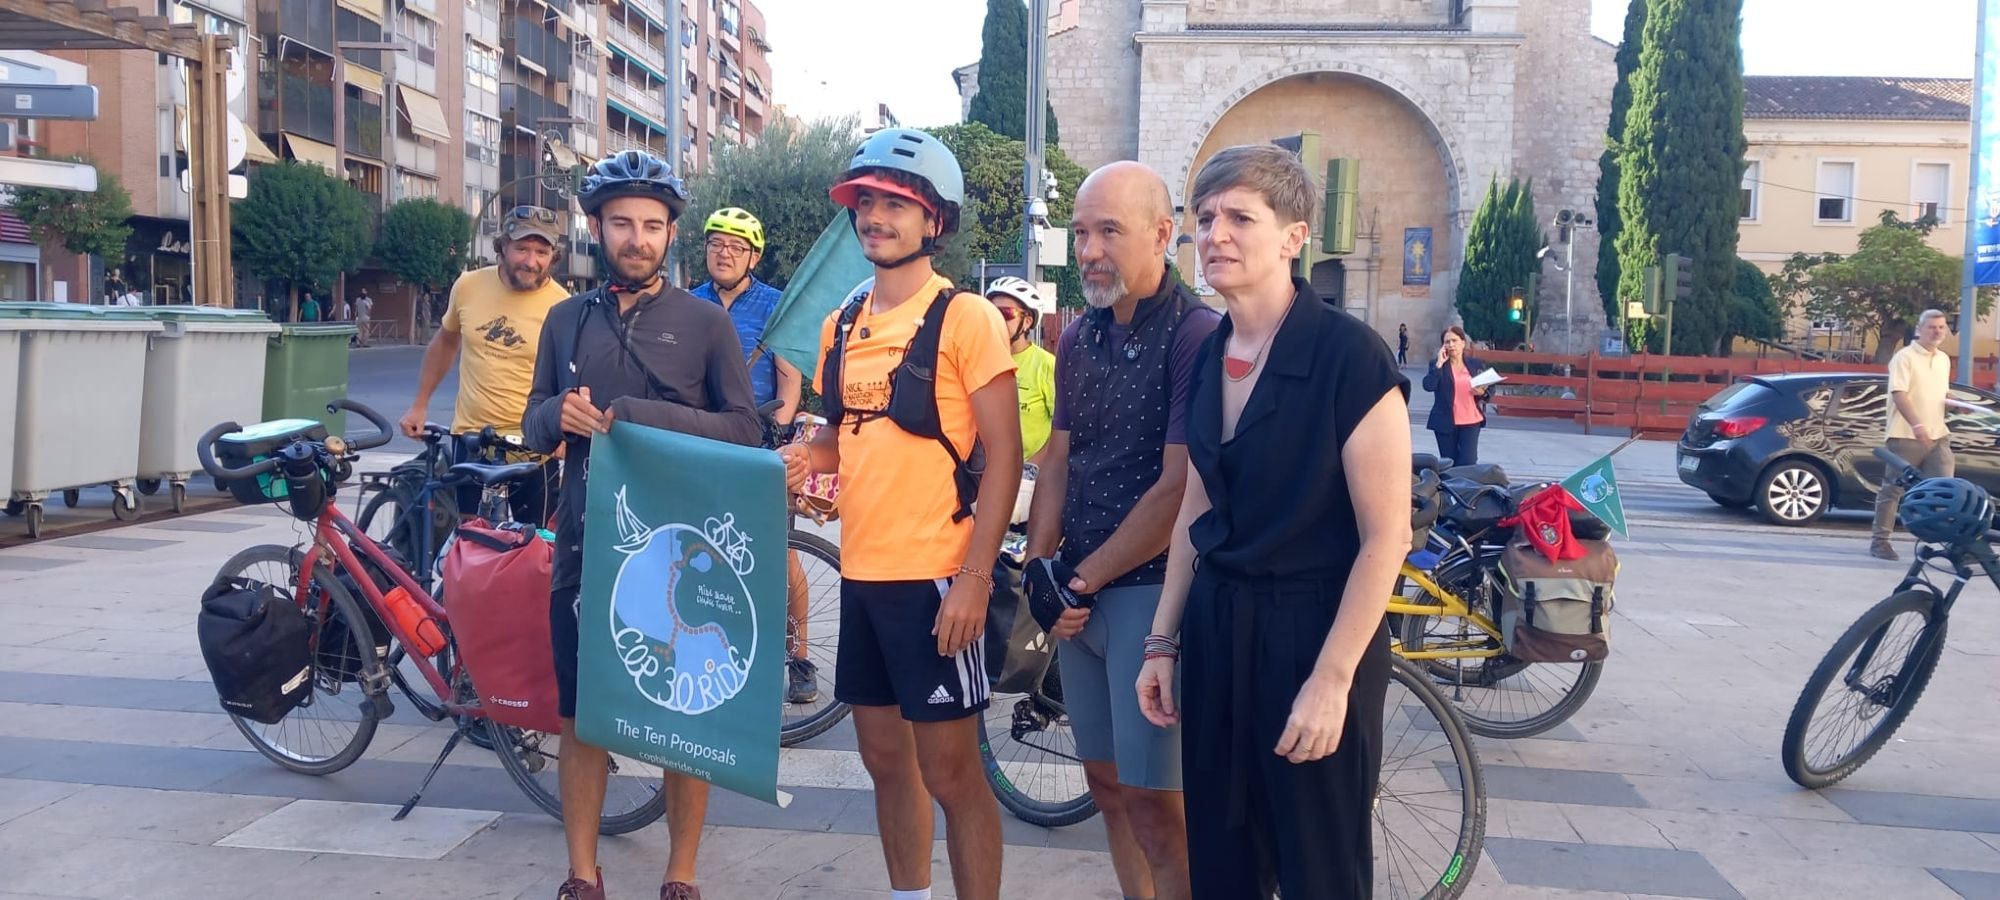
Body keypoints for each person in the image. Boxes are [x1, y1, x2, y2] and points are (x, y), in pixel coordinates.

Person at [1135, 144, 1410, 899]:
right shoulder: (1210, 348)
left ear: (1294, 237)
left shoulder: (1348, 356)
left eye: (1238, 217)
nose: (1214, 234)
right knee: (1223, 868)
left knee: (1319, 870)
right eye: (1204, 218)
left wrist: (1332, 681)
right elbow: (1198, 500)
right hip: (1220, 632)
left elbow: (1388, 534)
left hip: (1314, 633)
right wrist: (1164, 639)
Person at [778, 127, 1018, 900]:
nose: (876, 217)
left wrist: (977, 581)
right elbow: (839, 439)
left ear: (933, 222)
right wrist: (802, 460)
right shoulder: (839, 325)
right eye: (867, 203)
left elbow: (1007, 457)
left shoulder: (967, 317)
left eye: (897, 205)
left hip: (939, 581)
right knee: (884, 762)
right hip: (864, 575)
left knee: (953, 774)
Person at [523, 150, 762, 900]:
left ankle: (681, 872)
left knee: (680, 711)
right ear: (596, 228)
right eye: (622, 223)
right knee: (582, 714)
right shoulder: (564, 320)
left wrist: (636, 417)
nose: (638, 238)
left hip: (678, 547)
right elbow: (531, 422)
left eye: (653, 225)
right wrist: (554, 417)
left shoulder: (704, 323)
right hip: (585, 543)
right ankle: (582, 873)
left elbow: (745, 429)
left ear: (671, 235)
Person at [1031, 160, 1219, 900]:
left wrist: (1080, 578)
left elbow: (1177, 490)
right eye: (1080, 233)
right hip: (1081, 599)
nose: (1089, 251)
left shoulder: (1196, 333)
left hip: (1147, 593)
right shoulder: (1079, 336)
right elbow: (1057, 459)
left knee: (1156, 803)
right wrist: (1040, 569)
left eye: (1109, 230)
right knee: (1106, 789)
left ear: (1164, 235)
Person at [687, 205, 820, 706]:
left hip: (761, 440)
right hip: (703, 445)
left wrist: (778, 434)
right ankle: (715, 654)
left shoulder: (774, 305)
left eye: (736, 246)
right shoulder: (687, 303)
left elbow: (790, 382)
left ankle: (800, 657)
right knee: (703, 554)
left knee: (782, 555)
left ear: (754, 256)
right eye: (716, 243)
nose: (725, 252)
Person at [398, 206, 571, 526]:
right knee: (470, 539)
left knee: (533, 549)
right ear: (502, 246)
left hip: (535, 447)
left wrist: (563, 434)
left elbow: (570, 375)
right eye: (521, 248)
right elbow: (445, 343)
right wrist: (419, 405)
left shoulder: (562, 306)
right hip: (473, 439)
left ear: (553, 256)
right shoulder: (468, 286)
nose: (531, 261)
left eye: (541, 252)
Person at [1872, 308, 1956, 560]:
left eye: (1941, 327)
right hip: (1906, 435)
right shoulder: (1904, 357)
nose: (1937, 331)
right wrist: (1917, 425)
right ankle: (1880, 541)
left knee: (1945, 490)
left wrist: (1954, 401)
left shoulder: (1943, 359)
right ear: (1919, 329)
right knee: (1893, 490)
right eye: (1931, 327)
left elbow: (1941, 393)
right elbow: (1900, 394)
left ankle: (1952, 544)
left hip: (1938, 434)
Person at [983, 276, 1058, 469]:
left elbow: (1063, 430)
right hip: (982, 472)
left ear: (1027, 322)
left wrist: (1030, 469)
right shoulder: (978, 359)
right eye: (991, 313)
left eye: (1006, 313)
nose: (997, 320)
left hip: (1027, 476)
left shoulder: (1046, 365)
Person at [1422, 325, 1490, 466]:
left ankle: (1467, 489)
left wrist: (1483, 392)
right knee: (1449, 464)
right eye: (1447, 342)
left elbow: (1489, 386)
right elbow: (1428, 386)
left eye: (1454, 340)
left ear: (1463, 343)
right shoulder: (1437, 365)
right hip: (1445, 422)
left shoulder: (1475, 364)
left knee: (1468, 463)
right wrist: (1439, 364)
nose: (1451, 345)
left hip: (1471, 422)